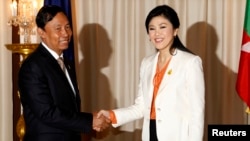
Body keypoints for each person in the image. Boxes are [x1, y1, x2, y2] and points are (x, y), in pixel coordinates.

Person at [98, 4, 205, 141]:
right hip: (150, 134)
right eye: (152, 29)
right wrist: (111, 115)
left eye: (162, 27)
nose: (157, 33)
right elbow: (141, 107)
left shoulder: (190, 62)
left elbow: (196, 114)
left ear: (175, 30)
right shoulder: (146, 63)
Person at [18, 5, 110, 141]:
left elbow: (68, 107)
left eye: (67, 27)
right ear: (41, 32)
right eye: (58, 29)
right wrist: (90, 120)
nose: (65, 34)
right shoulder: (32, 66)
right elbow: (47, 112)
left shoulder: (66, 63)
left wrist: (90, 120)